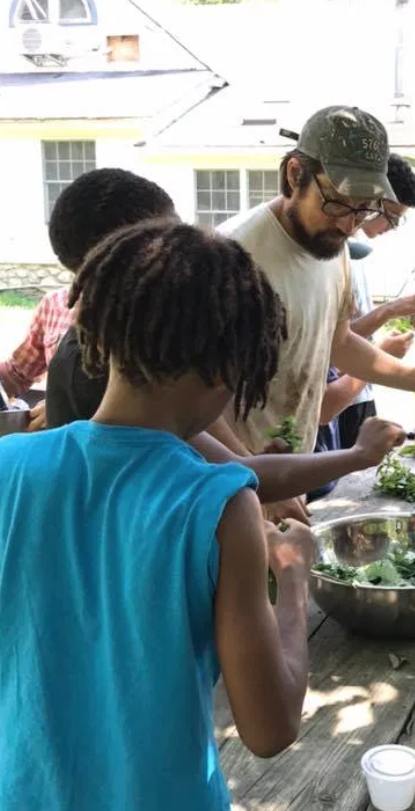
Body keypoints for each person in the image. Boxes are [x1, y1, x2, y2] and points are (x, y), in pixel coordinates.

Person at [0, 221, 317, 809]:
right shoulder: (221, 506)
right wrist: (294, 582)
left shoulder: (7, 464)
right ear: (230, 368)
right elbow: (269, 729)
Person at [44, 170, 406, 515]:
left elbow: (236, 468)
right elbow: (239, 474)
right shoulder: (128, 372)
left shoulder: (120, 353)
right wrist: (358, 454)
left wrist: (257, 463)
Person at [218, 106, 415, 516]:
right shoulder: (232, 257)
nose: (350, 225)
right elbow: (190, 406)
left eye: (366, 208)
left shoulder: (333, 249)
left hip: (285, 476)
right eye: (338, 204)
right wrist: (255, 481)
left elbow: (337, 342)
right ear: (295, 174)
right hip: (232, 488)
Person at [0, 168, 177, 430]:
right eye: (175, 241)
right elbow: (15, 374)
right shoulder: (56, 308)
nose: (185, 251)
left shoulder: (177, 322)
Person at [334, 153, 415, 448]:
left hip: (359, 391)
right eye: (391, 215)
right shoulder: (330, 255)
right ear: (369, 199)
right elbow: (335, 343)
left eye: (399, 220)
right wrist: (390, 317)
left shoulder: (355, 253)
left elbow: (349, 326)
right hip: (342, 388)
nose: (391, 226)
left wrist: (394, 312)